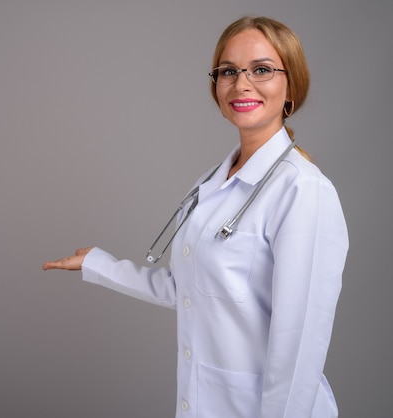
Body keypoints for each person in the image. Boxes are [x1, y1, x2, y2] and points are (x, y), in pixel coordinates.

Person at [42, 15, 348, 418]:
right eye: (228, 71)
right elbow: (187, 289)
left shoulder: (303, 191)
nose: (241, 83)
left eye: (261, 70)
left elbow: (299, 344)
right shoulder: (211, 183)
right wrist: (98, 264)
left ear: (291, 85)